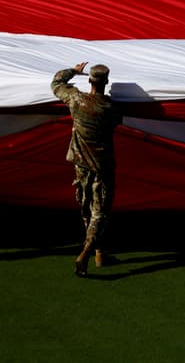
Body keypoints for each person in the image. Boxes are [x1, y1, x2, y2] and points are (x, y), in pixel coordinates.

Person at [51, 61, 124, 277]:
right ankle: (86, 253)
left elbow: (56, 82)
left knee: (86, 208)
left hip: (81, 164)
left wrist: (74, 71)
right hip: (102, 166)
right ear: (106, 82)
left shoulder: (76, 100)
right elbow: (117, 119)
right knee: (99, 211)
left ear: (89, 80)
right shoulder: (111, 108)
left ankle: (99, 251)